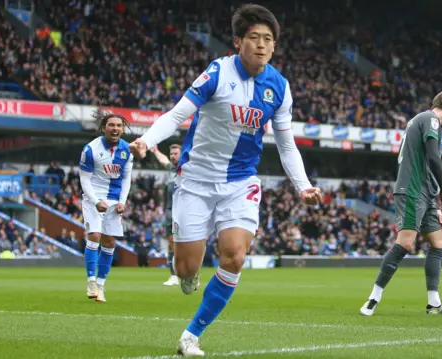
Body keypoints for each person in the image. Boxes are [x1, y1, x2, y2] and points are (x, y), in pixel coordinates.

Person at [128, 4, 322, 356]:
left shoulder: (279, 87)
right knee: (186, 268)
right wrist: (147, 140)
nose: (261, 45)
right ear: (238, 42)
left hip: (240, 182)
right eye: (254, 38)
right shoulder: (217, 72)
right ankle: (188, 273)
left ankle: (191, 335)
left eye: (268, 39)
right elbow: (177, 115)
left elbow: (285, 142)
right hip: (196, 180)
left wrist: (303, 185)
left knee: (234, 256)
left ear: (274, 46)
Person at [359, 91, 442, 317]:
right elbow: (434, 158)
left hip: (424, 193)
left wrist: (435, 201)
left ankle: (434, 303)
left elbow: (425, 162)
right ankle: (373, 298)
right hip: (412, 191)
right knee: (405, 244)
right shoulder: (431, 120)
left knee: (438, 242)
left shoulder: (420, 121)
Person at [79, 111, 133, 303]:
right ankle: (91, 281)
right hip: (93, 196)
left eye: (119, 126)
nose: (115, 129)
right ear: (104, 128)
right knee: (94, 236)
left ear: (123, 129)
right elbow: (84, 180)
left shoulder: (127, 150)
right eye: (112, 125)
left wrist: (122, 202)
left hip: (114, 199)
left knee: (110, 243)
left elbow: (126, 178)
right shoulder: (90, 149)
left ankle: (101, 286)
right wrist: (95, 202)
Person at [150, 144, 182, 286]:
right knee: (171, 244)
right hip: (171, 212)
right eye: (172, 153)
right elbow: (163, 160)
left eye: (176, 153)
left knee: (189, 245)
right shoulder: (171, 170)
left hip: (185, 213)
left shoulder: (188, 169)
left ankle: (193, 275)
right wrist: (156, 151)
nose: (173, 156)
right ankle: (174, 276)